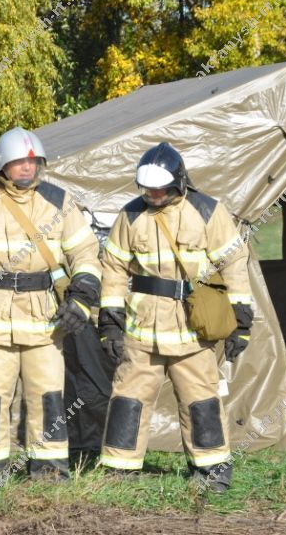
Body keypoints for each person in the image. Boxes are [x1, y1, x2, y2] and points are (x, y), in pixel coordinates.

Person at [0, 127, 101, 481]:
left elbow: (86, 251)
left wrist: (82, 296)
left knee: (48, 397)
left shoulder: (59, 201)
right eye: (19, 163)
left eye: (33, 162)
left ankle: (49, 470)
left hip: (45, 319)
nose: (27, 169)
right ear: (2, 167)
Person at [97, 142, 253, 493]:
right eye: (147, 189)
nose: (153, 195)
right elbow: (114, 268)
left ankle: (212, 471)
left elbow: (234, 265)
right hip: (141, 329)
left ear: (179, 182)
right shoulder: (130, 215)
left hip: (192, 331)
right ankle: (120, 469)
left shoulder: (209, 212)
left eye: (160, 189)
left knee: (201, 399)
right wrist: (109, 322)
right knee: (128, 398)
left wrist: (241, 321)